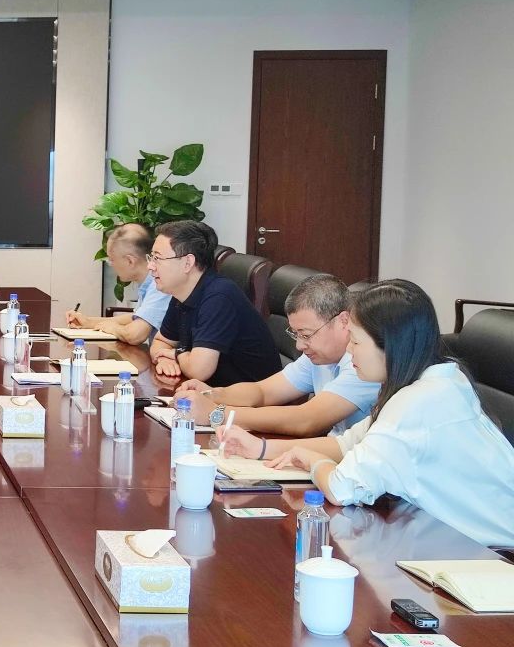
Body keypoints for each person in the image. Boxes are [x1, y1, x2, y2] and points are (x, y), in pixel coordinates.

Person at [219, 279, 514, 548]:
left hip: (490, 558)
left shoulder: (420, 400)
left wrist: (314, 461)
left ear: (391, 345)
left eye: (356, 342)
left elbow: (341, 488)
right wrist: (260, 449)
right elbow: (347, 444)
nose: (349, 351)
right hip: (445, 538)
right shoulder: (432, 381)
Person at [176, 274, 380, 436]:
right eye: (296, 334)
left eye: (306, 335)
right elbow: (263, 391)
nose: (299, 345)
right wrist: (212, 394)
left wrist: (215, 413)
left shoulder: (364, 365)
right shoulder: (320, 357)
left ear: (343, 321)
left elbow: (306, 420)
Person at [147, 220, 281, 386]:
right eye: (151, 257)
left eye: (157, 258)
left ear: (188, 263)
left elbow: (199, 370)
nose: (150, 266)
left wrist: (176, 354)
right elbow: (161, 342)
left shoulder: (219, 297)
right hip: (211, 391)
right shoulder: (181, 292)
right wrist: (165, 360)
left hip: (249, 397)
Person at [65, 223, 170, 345]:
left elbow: (135, 335)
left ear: (130, 261)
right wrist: (88, 322)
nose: (111, 265)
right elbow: (137, 317)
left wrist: (114, 328)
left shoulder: (160, 284)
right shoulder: (148, 282)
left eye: (112, 259)